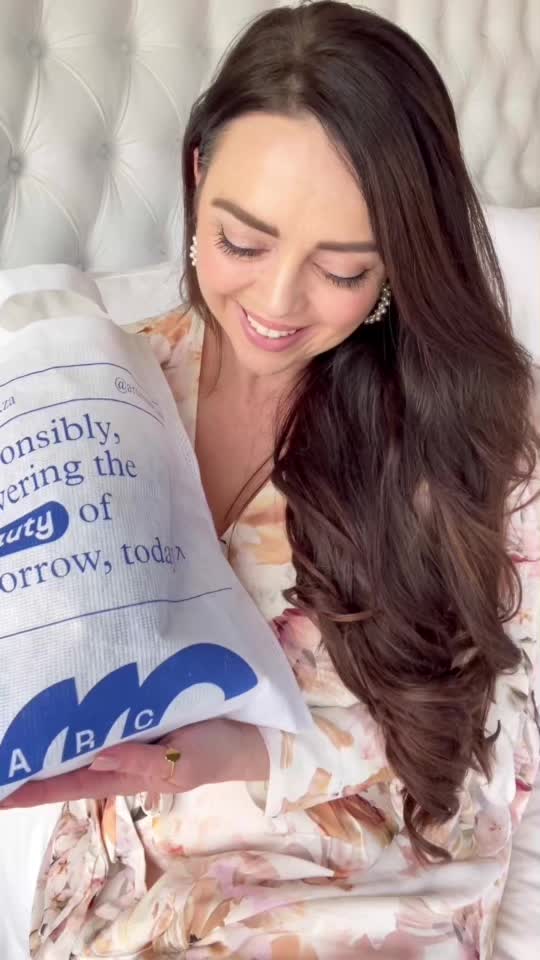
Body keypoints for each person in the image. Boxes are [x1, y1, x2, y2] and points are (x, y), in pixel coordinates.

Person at [2, 2, 539, 957]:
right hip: (132, 869)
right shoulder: (101, 386)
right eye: (244, 243)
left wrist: (234, 751)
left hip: (355, 864)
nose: (278, 304)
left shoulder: (478, 429)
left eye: (343, 270)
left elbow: (493, 708)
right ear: (197, 177)